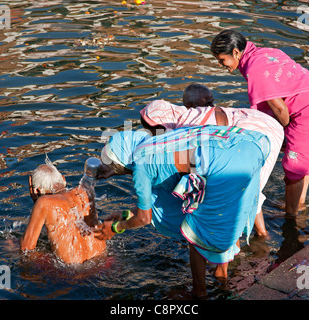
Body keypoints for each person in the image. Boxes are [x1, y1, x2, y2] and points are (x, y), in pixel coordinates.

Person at [94, 125, 270, 297]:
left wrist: (116, 227)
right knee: (228, 214)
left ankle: (199, 292)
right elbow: (166, 201)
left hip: (227, 162)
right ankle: (221, 274)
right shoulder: (159, 142)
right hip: (249, 145)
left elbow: (145, 218)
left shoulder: (141, 164)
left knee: (196, 230)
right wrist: (126, 215)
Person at [210, 30, 309, 216]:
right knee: (303, 160)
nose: (220, 64)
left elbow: (280, 109)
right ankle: (299, 203)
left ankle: (291, 216)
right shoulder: (265, 52)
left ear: (236, 53)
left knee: (293, 167)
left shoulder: (254, 69)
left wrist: (281, 133)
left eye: (222, 60)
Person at [140, 84, 284, 237]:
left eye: (154, 132)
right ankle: (252, 234)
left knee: (246, 188)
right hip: (258, 121)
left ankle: (258, 236)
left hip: (260, 132)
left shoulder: (190, 126)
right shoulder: (186, 115)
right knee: (241, 186)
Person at [20, 158, 106, 264]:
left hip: (74, 275)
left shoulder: (44, 202)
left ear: (37, 191)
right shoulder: (84, 192)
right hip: (104, 261)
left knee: (11, 243)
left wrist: (37, 203)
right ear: (63, 180)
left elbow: (26, 249)